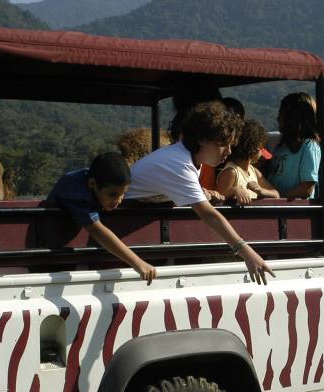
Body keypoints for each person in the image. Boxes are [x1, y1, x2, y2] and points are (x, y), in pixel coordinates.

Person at [126, 101, 275, 285]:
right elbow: (209, 215)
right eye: (223, 144)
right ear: (202, 139)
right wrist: (246, 252)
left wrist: (201, 190)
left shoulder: (188, 158)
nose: (228, 151)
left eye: (230, 145)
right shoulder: (180, 164)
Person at [46, 151, 157, 284]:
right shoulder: (76, 192)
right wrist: (138, 263)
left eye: (123, 194)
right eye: (112, 195)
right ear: (93, 184)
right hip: (50, 254)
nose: (118, 200)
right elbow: (96, 230)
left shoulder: (99, 179)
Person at [266, 92, 321, 199]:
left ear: (292, 117)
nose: (277, 118)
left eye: (281, 114)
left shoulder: (309, 147)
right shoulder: (282, 145)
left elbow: (306, 189)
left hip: (292, 211)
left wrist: (278, 199)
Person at [216, 119, 280, 204]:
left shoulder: (254, 171)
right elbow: (218, 200)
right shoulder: (231, 172)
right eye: (261, 147)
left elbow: (276, 194)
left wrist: (261, 191)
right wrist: (235, 190)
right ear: (254, 147)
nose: (262, 151)